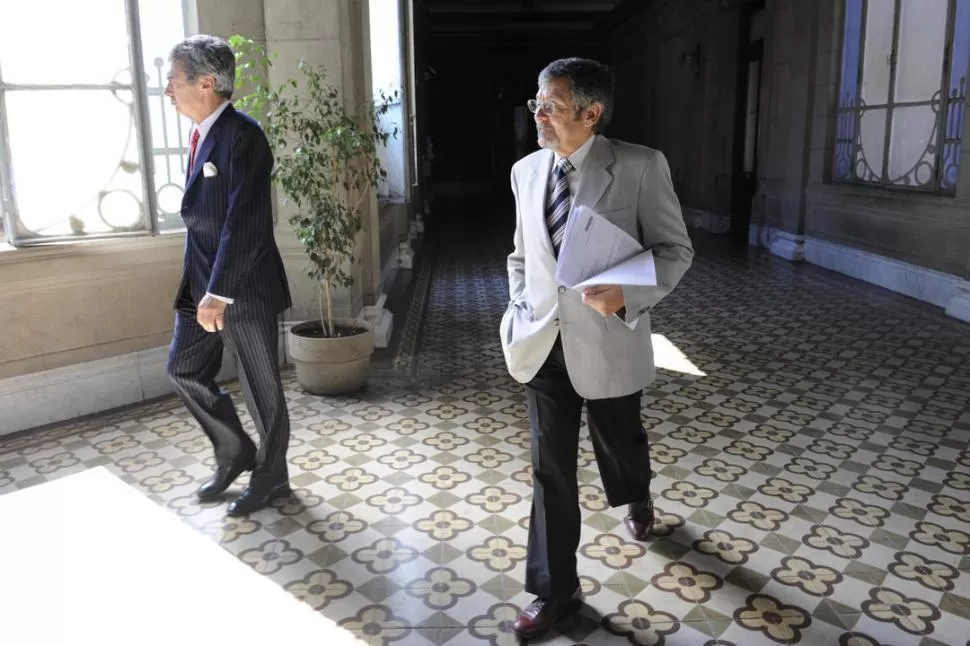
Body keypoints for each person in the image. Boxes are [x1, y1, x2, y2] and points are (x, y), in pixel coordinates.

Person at [500, 57, 694, 639]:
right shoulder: (526, 172)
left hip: (609, 338)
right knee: (549, 471)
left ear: (591, 113)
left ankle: (636, 496)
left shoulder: (638, 167)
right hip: (542, 343)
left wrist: (627, 295)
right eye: (536, 101)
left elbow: (674, 249)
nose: (538, 114)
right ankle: (554, 590)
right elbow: (519, 257)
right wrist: (517, 311)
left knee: (620, 439)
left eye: (552, 106)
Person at [164, 34, 292, 516]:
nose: (169, 92)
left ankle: (272, 476)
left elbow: (247, 223)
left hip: (241, 290)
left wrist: (219, 293)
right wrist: (201, 290)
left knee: (262, 391)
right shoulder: (200, 136)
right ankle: (236, 451)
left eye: (174, 80)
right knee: (182, 370)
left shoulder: (243, 136)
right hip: (198, 287)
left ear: (207, 82)